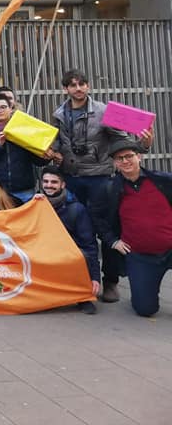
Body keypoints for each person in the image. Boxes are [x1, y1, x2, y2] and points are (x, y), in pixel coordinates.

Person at [52, 68, 154, 303]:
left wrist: (143, 144)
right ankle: (78, 279)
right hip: (72, 176)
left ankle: (110, 281)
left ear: (88, 86)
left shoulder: (104, 111)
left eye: (82, 84)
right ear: (65, 89)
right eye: (73, 85)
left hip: (100, 177)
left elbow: (121, 140)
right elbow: (57, 143)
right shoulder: (59, 114)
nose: (78, 88)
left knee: (107, 229)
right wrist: (53, 153)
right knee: (73, 230)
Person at [89, 140, 172, 317]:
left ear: (139, 157)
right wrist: (112, 241)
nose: (125, 161)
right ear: (114, 163)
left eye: (129, 156)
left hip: (169, 248)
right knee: (145, 309)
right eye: (119, 158)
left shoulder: (163, 181)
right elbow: (96, 216)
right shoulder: (110, 188)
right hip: (141, 256)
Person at [36, 166, 100, 314]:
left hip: (69, 253)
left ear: (62, 185)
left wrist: (95, 278)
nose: (49, 185)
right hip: (42, 251)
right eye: (45, 181)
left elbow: (90, 244)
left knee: (82, 255)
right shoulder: (34, 204)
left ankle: (83, 296)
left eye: (54, 182)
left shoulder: (76, 209)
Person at [0, 93, 49, 202]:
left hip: (24, 190)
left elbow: (38, 161)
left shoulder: (24, 128)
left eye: (3, 107)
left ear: (11, 108)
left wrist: (46, 155)